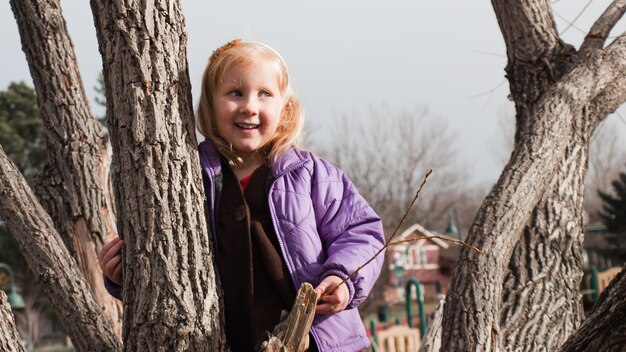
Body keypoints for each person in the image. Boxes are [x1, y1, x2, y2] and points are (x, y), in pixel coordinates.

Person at [99, 39, 385, 352]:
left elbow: (361, 232)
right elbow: (169, 261)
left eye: (264, 94)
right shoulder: (192, 179)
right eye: (236, 93)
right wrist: (124, 276)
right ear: (211, 104)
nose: (249, 106)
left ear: (284, 109)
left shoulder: (312, 174)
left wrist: (343, 277)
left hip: (321, 340)